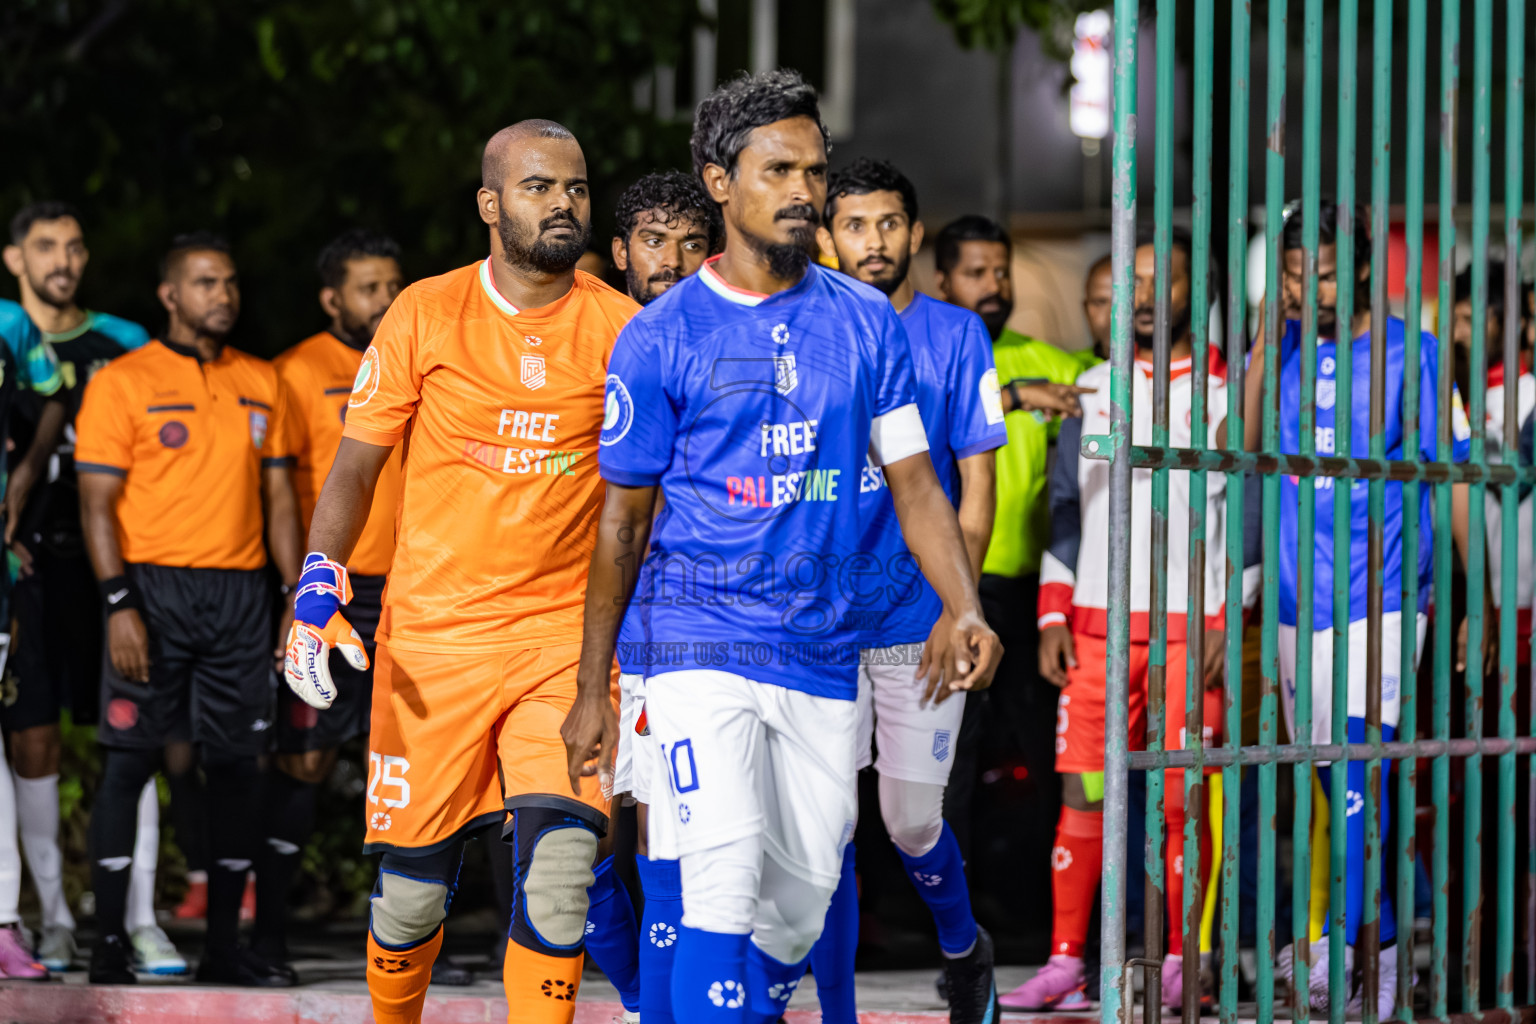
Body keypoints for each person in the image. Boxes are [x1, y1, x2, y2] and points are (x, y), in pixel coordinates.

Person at [564, 69, 1002, 1024]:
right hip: (696, 650)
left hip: (820, 656)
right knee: (718, 876)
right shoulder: (659, 337)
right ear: (721, 182)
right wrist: (594, 684)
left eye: (815, 169)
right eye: (779, 170)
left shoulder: (861, 322)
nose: (805, 190)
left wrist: (963, 604)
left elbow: (918, 484)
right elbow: (622, 523)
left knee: (796, 911)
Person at [283, 119, 638, 1024]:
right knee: (408, 903)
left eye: (577, 188)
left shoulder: (620, 326)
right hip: (432, 648)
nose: (563, 203)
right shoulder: (425, 313)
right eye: (538, 187)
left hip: (562, 640)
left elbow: (649, 498)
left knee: (560, 874)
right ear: (490, 204)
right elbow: (355, 468)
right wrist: (318, 587)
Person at [1255, 202, 1474, 1018]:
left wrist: (1476, 602)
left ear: (1361, 270)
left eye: (1323, 270)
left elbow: (1451, 485)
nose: (1307, 286)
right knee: (1329, 783)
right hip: (1290, 598)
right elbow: (1239, 440)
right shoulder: (1277, 349)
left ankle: (1359, 957)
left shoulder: (1414, 356)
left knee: (1359, 777)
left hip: (1379, 595)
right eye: (1292, 272)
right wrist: (1259, 341)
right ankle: (1371, 948)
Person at [807, 156, 1006, 1023]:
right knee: (823, 832)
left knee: (912, 824)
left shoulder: (959, 337)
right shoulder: (797, 331)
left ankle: (965, 950)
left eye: (889, 223)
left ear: (915, 235)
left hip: (918, 620)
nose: (873, 241)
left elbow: (974, 491)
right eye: (854, 224)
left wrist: (958, 608)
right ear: (824, 234)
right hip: (817, 625)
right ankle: (838, 1013)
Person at [1010, 227, 1228, 1010]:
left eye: (1159, 280)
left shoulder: (1227, 396)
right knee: (1085, 794)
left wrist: (1223, 619)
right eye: (1130, 282)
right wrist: (1051, 614)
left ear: (1191, 291)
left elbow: (1247, 518)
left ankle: (1179, 960)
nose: (1141, 297)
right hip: (1097, 632)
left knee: (1179, 802)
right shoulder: (1091, 389)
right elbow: (1064, 506)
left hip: (1186, 632)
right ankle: (1069, 961)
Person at [76, 232, 302, 986]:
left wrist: (297, 600)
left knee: (240, 767)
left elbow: (278, 499)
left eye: (231, 283)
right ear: (170, 295)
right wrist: (118, 605)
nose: (224, 297)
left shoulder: (262, 380)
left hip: (240, 598)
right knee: (129, 762)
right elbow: (96, 505)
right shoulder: (122, 382)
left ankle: (225, 949)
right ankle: (108, 941)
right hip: (152, 592)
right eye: (206, 284)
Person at [1, 201, 188, 977]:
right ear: (15, 258)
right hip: (30, 571)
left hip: (119, 567)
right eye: (46, 246)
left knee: (132, 742)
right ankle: (53, 921)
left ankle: (140, 921)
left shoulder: (126, 343)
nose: (64, 260)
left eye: (76, 246)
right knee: (33, 742)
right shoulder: (12, 336)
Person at [583, 169, 723, 1024]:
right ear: (621, 251)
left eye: (692, 241)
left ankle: (659, 1013)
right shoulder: (584, 334)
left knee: (671, 845)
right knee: (572, 851)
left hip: (681, 632)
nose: (672, 259)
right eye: (654, 240)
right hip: (571, 624)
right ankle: (641, 999)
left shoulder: (728, 338)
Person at [264, 229, 413, 976]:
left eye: (392, 285)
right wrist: (301, 592)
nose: (384, 300)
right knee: (307, 757)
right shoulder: (295, 371)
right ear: (333, 298)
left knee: (405, 760)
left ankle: (412, 938)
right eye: (367, 288)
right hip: (331, 589)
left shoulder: (421, 356)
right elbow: (282, 493)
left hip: (413, 589)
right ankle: (267, 937)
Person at [930, 215, 1088, 871]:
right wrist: (1018, 396)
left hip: (1031, 596)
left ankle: (1050, 917)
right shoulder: (930, 351)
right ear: (942, 280)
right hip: (950, 588)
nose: (993, 285)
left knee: (1051, 758)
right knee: (948, 763)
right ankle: (944, 924)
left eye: (1000, 272)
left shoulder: (1050, 360)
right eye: (976, 273)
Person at [0, 243, 70, 982]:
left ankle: (10, 922)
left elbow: (54, 398)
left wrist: (23, 477)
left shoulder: (11, 325)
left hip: (4, 564)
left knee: (19, 742)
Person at [1450, 264, 1534, 669]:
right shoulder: (1455, 400)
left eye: (1469, 320)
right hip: (1449, 598)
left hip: (1514, 601)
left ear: (1514, 322)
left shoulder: (1530, 400)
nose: (1458, 333)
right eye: (1455, 320)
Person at [1081, 253, 1112, 363]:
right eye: (1100, 302)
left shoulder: (1160, 371)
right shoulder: (1069, 370)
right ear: (1086, 310)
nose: (1112, 315)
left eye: (1126, 303)